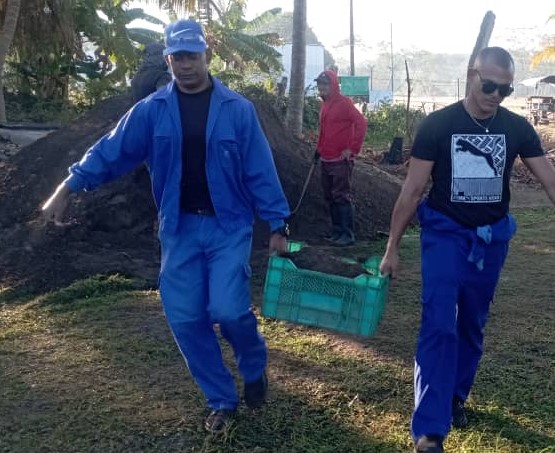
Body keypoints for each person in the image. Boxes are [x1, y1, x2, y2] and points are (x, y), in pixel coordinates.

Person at [41, 18, 291, 435]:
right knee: (186, 319)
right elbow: (111, 150)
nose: (186, 65)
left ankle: (253, 366)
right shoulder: (151, 110)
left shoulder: (237, 110)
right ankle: (221, 400)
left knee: (229, 310)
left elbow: (259, 169)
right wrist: (67, 186)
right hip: (178, 228)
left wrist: (278, 223)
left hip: (228, 227)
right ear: (168, 60)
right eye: (177, 58)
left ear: (207, 55)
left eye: (192, 56)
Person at [379, 47, 555, 453]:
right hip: (445, 236)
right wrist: (392, 247)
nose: (496, 95)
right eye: (489, 86)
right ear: (472, 76)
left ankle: (455, 396)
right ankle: (430, 430)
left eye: (505, 89)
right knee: (439, 323)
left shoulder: (516, 128)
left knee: (471, 324)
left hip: (491, 241)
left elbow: (552, 181)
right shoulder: (438, 125)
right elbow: (412, 191)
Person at [315, 69, 367, 246]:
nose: (321, 88)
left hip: (340, 160)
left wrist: (352, 149)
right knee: (329, 196)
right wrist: (318, 149)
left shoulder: (344, 103)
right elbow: (324, 130)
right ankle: (336, 232)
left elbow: (361, 123)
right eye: (320, 84)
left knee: (341, 195)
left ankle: (347, 234)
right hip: (326, 158)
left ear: (333, 85)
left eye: (325, 84)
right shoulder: (324, 105)